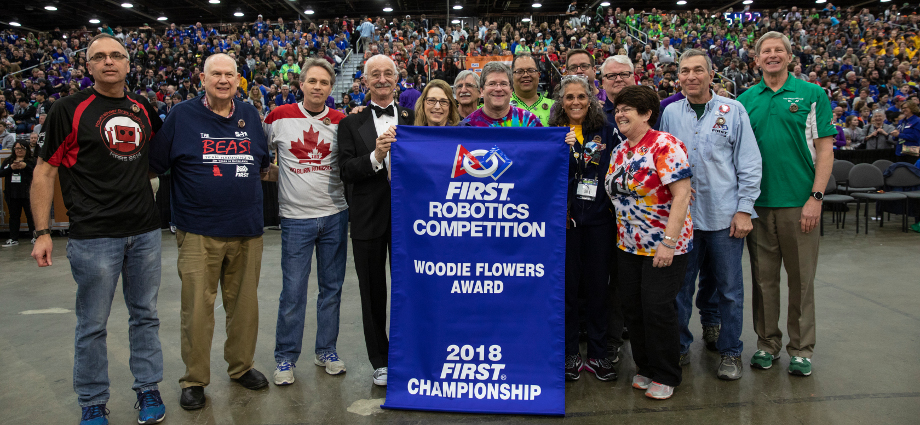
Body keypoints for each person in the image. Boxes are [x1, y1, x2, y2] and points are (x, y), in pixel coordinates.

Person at [31, 33, 166, 425]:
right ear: (88, 66)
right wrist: (41, 231)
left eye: (117, 55)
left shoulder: (143, 107)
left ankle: (148, 388)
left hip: (144, 231)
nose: (109, 61)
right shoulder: (67, 109)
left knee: (146, 315)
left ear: (128, 64)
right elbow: (44, 170)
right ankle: (92, 400)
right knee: (92, 324)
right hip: (93, 236)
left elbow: (158, 158)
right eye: (99, 56)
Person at [149, 53, 273, 410]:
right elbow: (155, 165)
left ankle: (241, 366)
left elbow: (262, 165)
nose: (223, 80)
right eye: (215, 74)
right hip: (198, 231)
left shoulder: (250, 115)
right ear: (202, 79)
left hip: (247, 230)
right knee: (197, 310)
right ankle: (194, 379)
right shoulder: (181, 115)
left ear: (239, 80)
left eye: (229, 75)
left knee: (245, 307)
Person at [659, 49, 762, 381]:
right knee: (680, 290)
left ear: (711, 74)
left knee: (729, 289)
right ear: (678, 77)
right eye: (685, 71)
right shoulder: (671, 113)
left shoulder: (733, 111)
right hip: (683, 220)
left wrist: (745, 210)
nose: (691, 76)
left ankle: (731, 352)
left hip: (724, 217)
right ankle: (679, 346)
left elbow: (749, 163)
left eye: (698, 70)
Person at [738, 32, 836, 377]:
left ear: (790, 57)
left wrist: (816, 198)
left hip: (800, 204)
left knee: (802, 280)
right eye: (766, 51)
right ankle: (767, 345)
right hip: (759, 206)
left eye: (779, 50)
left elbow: (825, 149)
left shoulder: (812, 94)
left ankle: (801, 349)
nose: (773, 55)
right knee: (764, 281)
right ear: (757, 60)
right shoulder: (745, 99)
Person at [262, 58, 350, 386]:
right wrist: (275, 173)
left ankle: (326, 350)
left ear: (331, 87)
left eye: (324, 82)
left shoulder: (342, 121)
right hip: (295, 219)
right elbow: (259, 155)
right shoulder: (278, 117)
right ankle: (285, 358)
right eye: (311, 81)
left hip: (335, 215)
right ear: (301, 84)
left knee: (331, 289)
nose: (317, 87)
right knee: (293, 291)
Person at [605, 85, 693, 400]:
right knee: (633, 308)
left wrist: (668, 243)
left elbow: (682, 195)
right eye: (617, 109)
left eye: (627, 109)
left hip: (663, 244)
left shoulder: (665, 146)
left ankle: (667, 372)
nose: (620, 114)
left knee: (657, 309)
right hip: (628, 245)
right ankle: (645, 367)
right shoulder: (619, 151)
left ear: (646, 114)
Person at [337, 54, 415, 386]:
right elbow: (346, 171)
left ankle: (409, 352)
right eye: (375, 75)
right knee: (372, 292)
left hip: (411, 219)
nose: (382, 79)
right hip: (368, 216)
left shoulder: (414, 117)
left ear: (397, 80)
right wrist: (376, 156)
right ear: (365, 82)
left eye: (388, 74)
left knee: (410, 286)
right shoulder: (349, 123)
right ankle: (380, 359)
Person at [550, 76, 620, 382]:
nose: (575, 102)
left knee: (597, 290)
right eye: (569, 97)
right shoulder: (552, 133)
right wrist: (559, 151)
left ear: (591, 99)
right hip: (564, 224)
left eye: (582, 96)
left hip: (599, 222)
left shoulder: (606, 130)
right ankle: (569, 353)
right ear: (560, 102)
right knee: (566, 290)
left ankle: (598, 353)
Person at [598, 55, 634, 360]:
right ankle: (609, 339)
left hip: (640, 216)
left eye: (624, 74)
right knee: (606, 279)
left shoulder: (653, 111)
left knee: (627, 281)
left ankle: (624, 334)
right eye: (611, 76)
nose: (617, 79)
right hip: (601, 213)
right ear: (602, 81)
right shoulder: (594, 113)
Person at [460, 62, 542, 127]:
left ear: (511, 91)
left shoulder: (530, 122)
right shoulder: (468, 125)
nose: (498, 89)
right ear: (481, 91)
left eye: (503, 84)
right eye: (492, 84)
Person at [1, 140, 36, 247]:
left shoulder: (32, 161)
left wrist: (26, 166)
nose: (19, 150)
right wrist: (11, 168)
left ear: (27, 150)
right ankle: (13, 238)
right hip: (12, 194)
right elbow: (1, 173)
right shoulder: (8, 161)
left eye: (22, 148)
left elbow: (37, 173)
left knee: (31, 216)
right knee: (14, 216)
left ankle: (34, 237)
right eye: (17, 148)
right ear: (13, 150)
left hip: (28, 193)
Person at [511, 54, 554, 126]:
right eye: (519, 71)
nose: (525, 75)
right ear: (511, 76)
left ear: (538, 75)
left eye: (531, 70)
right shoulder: (501, 106)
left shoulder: (554, 107)